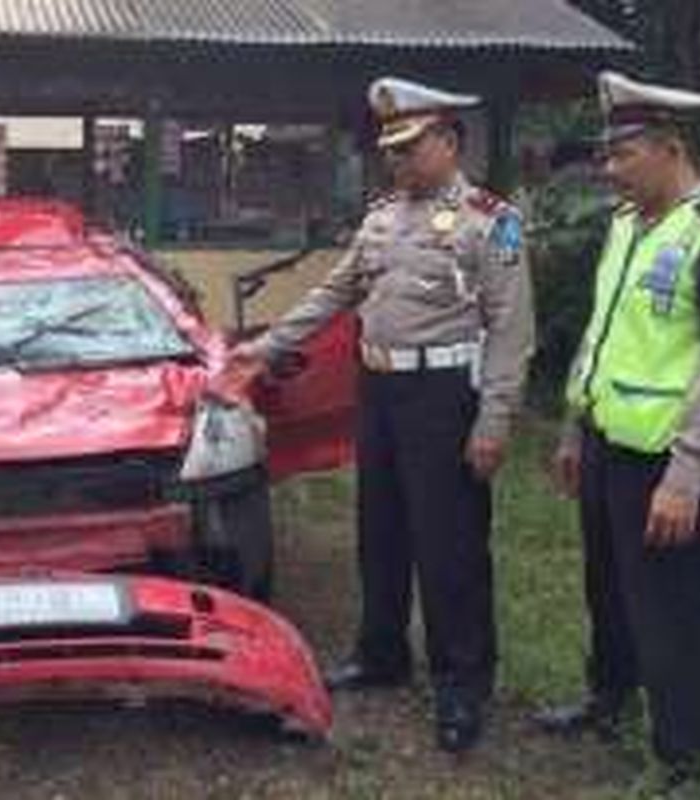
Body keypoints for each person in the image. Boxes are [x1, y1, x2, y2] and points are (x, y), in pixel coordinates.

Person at [225, 76, 535, 752]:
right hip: (382, 392)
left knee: (449, 544)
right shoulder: (383, 216)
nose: (395, 161)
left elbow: (512, 330)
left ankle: (463, 682)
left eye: (409, 147)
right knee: (382, 530)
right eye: (389, 149)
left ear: (449, 142)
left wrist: (494, 420)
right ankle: (381, 652)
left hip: (446, 395)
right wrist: (264, 348)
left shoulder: (491, 220)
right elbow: (335, 291)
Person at [535, 71, 700, 790]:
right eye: (606, 157)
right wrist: (577, 428)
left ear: (670, 149)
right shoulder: (625, 226)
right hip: (609, 439)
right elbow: (601, 334)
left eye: (622, 156)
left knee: (669, 605)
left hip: (665, 457)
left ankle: (684, 748)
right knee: (605, 585)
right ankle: (608, 696)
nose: (609, 171)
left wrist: (688, 471)